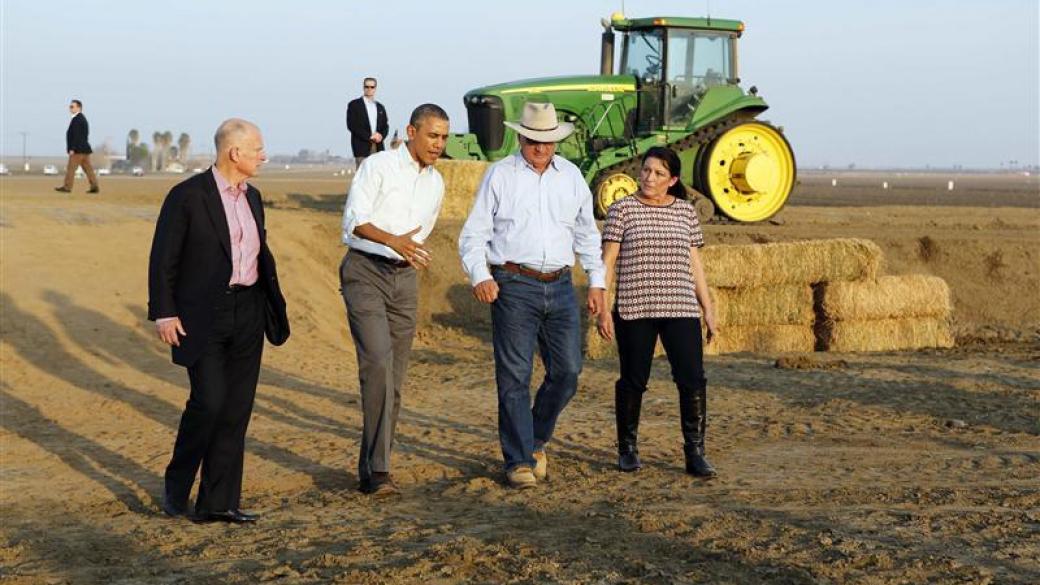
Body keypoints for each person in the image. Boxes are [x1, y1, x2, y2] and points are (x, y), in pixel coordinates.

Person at [148, 118, 290, 522]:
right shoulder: (187, 196)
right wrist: (164, 312)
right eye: (258, 149)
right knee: (209, 402)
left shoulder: (254, 197)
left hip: (248, 312)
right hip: (200, 316)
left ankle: (218, 502)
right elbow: (164, 259)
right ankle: (178, 483)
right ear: (235, 153)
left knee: (236, 409)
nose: (264, 156)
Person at [458, 102, 606, 489]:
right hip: (514, 283)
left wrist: (596, 280)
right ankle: (519, 460)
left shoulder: (571, 177)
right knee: (515, 376)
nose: (541, 148)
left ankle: (536, 438)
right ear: (520, 137)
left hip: (560, 284)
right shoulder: (500, 176)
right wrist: (480, 275)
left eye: (548, 141)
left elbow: (587, 233)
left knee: (568, 371)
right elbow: (474, 234)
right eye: (533, 140)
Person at [339, 104, 450, 496]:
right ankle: (378, 472)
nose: (439, 144)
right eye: (433, 135)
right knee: (379, 364)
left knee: (396, 378)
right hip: (365, 271)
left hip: (405, 280)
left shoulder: (437, 183)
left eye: (444, 138)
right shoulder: (379, 166)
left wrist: (409, 252)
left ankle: (373, 465)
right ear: (411, 131)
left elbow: (421, 232)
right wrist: (392, 240)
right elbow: (354, 221)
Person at [597, 146, 719, 478]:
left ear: (673, 179)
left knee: (692, 379)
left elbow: (695, 264)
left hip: (680, 307)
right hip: (636, 308)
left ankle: (695, 452)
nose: (649, 178)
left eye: (658, 173)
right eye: (646, 170)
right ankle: (628, 449)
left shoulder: (685, 212)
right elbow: (607, 261)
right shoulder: (622, 209)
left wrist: (708, 308)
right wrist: (603, 308)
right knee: (634, 379)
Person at [55, 99, 99, 194]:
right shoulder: (81, 119)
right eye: (70, 107)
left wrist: (72, 148)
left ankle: (67, 187)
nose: (70, 108)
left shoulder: (78, 119)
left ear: (79, 108)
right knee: (88, 169)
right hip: (84, 149)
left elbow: (76, 135)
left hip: (78, 150)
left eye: (72, 106)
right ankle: (94, 186)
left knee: (71, 169)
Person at [346, 77, 390, 169]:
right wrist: (369, 136)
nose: (369, 89)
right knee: (362, 177)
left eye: (372, 87)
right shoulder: (354, 105)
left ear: (375, 88)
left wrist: (381, 136)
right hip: (362, 147)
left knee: (377, 175)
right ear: (363, 87)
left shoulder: (380, 107)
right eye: (367, 87)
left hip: (378, 147)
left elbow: (385, 125)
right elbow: (352, 125)